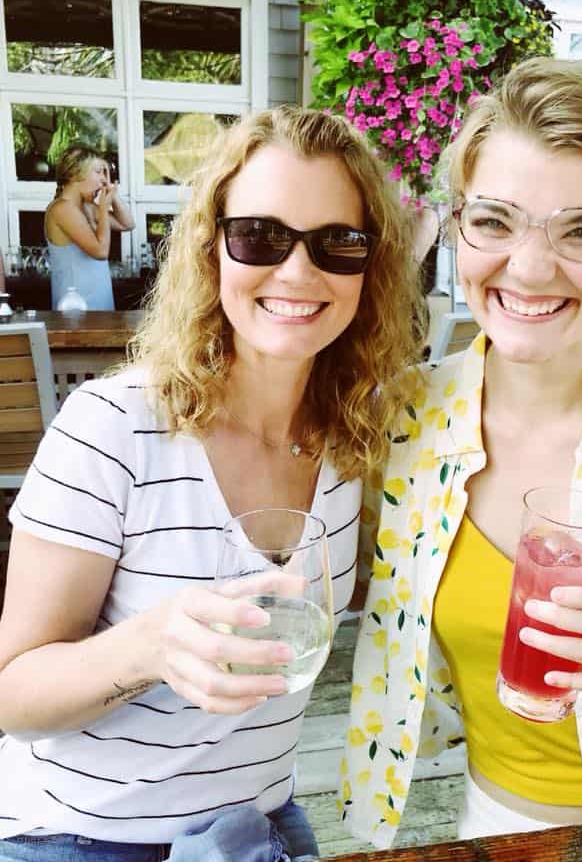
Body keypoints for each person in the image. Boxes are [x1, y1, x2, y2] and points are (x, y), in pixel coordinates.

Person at [0, 107, 423, 861]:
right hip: (80, 834)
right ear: (211, 248)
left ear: (373, 265)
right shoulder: (115, 426)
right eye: (260, 235)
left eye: (339, 243)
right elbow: (13, 695)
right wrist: (150, 647)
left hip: (253, 825)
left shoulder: (362, 433)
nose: (298, 272)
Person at [340, 58, 582, 849]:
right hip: (491, 827)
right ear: (455, 225)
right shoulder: (403, 423)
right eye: (495, 221)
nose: (531, 266)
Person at [45, 144, 135, 310]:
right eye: (98, 172)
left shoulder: (85, 208)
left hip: (98, 307)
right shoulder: (62, 208)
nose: (103, 179)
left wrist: (112, 193)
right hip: (77, 309)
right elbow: (100, 252)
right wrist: (102, 208)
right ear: (76, 174)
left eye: (105, 173)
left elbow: (127, 223)